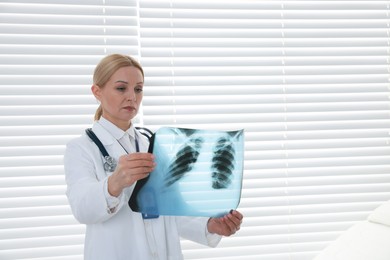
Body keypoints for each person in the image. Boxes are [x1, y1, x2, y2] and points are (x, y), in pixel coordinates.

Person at [64, 53, 244, 260]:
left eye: (138, 89)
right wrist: (114, 183)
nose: (132, 96)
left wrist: (210, 225)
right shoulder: (81, 148)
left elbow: (169, 212)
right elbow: (82, 209)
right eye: (121, 88)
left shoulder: (153, 144)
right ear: (97, 91)